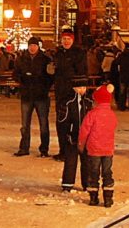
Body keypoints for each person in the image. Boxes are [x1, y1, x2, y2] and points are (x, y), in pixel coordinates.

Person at [48, 28, 87, 160]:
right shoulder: (58, 53)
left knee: (76, 122)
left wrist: (80, 85)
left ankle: (76, 149)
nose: (66, 41)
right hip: (61, 92)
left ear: (72, 40)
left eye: (68, 39)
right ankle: (63, 150)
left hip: (74, 92)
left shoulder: (79, 53)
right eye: (64, 39)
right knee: (62, 122)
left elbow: (82, 70)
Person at [13, 36, 53, 157]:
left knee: (43, 124)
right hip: (26, 95)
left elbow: (50, 76)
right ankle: (24, 147)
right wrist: (22, 79)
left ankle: (44, 149)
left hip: (41, 95)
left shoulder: (45, 59)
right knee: (25, 124)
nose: (32, 48)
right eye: (30, 46)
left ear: (38, 46)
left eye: (34, 46)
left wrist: (44, 85)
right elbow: (16, 73)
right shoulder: (21, 59)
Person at [79, 84, 118, 207]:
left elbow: (84, 131)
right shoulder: (112, 115)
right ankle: (108, 198)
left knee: (93, 173)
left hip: (94, 149)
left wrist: (81, 144)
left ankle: (93, 198)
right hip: (107, 149)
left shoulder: (92, 114)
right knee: (107, 173)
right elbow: (113, 127)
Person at [58, 76, 93, 192]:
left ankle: (87, 183)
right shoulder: (67, 102)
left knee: (87, 161)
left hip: (86, 137)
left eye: (84, 87)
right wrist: (66, 135)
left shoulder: (88, 102)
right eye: (79, 87)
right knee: (70, 161)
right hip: (72, 136)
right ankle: (67, 184)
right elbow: (62, 121)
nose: (82, 90)